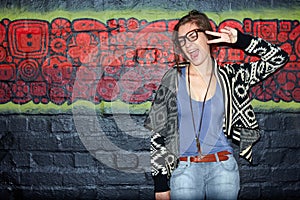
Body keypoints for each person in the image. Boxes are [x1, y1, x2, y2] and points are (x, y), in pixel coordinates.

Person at [144, 10, 289, 200]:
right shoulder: (173, 79)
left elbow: (278, 57)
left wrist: (240, 40)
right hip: (185, 170)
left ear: (208, 36)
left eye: (193, 36)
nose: (188, 45)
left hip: (223, 169)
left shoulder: (231, 76)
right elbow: (157, 134)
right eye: (182, 41)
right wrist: (160, 185)